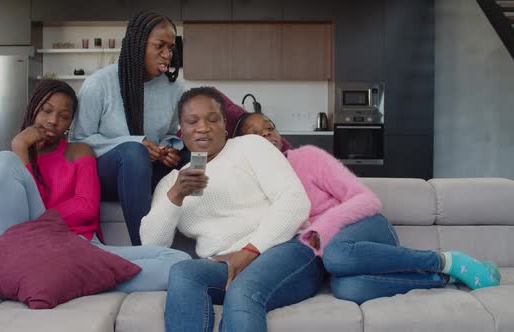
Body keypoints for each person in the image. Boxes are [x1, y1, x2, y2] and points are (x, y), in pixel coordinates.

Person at [233, 112, 501, 304]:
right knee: (349, 289)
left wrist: (319, 229)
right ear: (242, 145)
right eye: (254, 133)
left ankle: (446, 260)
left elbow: (366, 199)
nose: (266, 134)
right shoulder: (253, 186)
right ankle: (445, 278)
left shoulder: (307, 158)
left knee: (336, 254)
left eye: (269, 127)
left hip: (365, 229)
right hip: (329, 257)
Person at [140, 87, 324, 332]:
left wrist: (249, 252)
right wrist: (176, 195)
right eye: (192, 121)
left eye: (212, 119)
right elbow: (153, 245)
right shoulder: (170, 183)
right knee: (184, 272)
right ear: (181, 130)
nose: (203, 127)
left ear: (225, 125)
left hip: (287, 250)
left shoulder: (250, 146)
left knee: (242, 291)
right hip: (225, 265)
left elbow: (295, 201)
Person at [0, 79, 190, 293]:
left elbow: (85, 207)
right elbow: (17, 216)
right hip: (31, 248)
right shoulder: (14, 163)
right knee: (1, 161)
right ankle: (47, 272)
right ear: (33, 107)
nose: (53, 121)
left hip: (80, 249)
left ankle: (60, 277)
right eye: (46, 110)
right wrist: (20, 148)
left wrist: (39, 219)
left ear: (70, 124)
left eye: (64, 117)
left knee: (178, 261)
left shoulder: (79, 151)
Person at [70, 11, 186, 246]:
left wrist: (167, 148)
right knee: (133, 153)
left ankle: (205, 245)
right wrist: (135, 143)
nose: (167, 55)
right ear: (138, 45)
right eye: (159, 46)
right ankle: (145, 248)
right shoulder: (100, 83)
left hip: (147, 169)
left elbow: (170, 133)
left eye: (171, 48)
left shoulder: (174, 89)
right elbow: (78, 141)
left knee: (194, 155)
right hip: (108, 173)